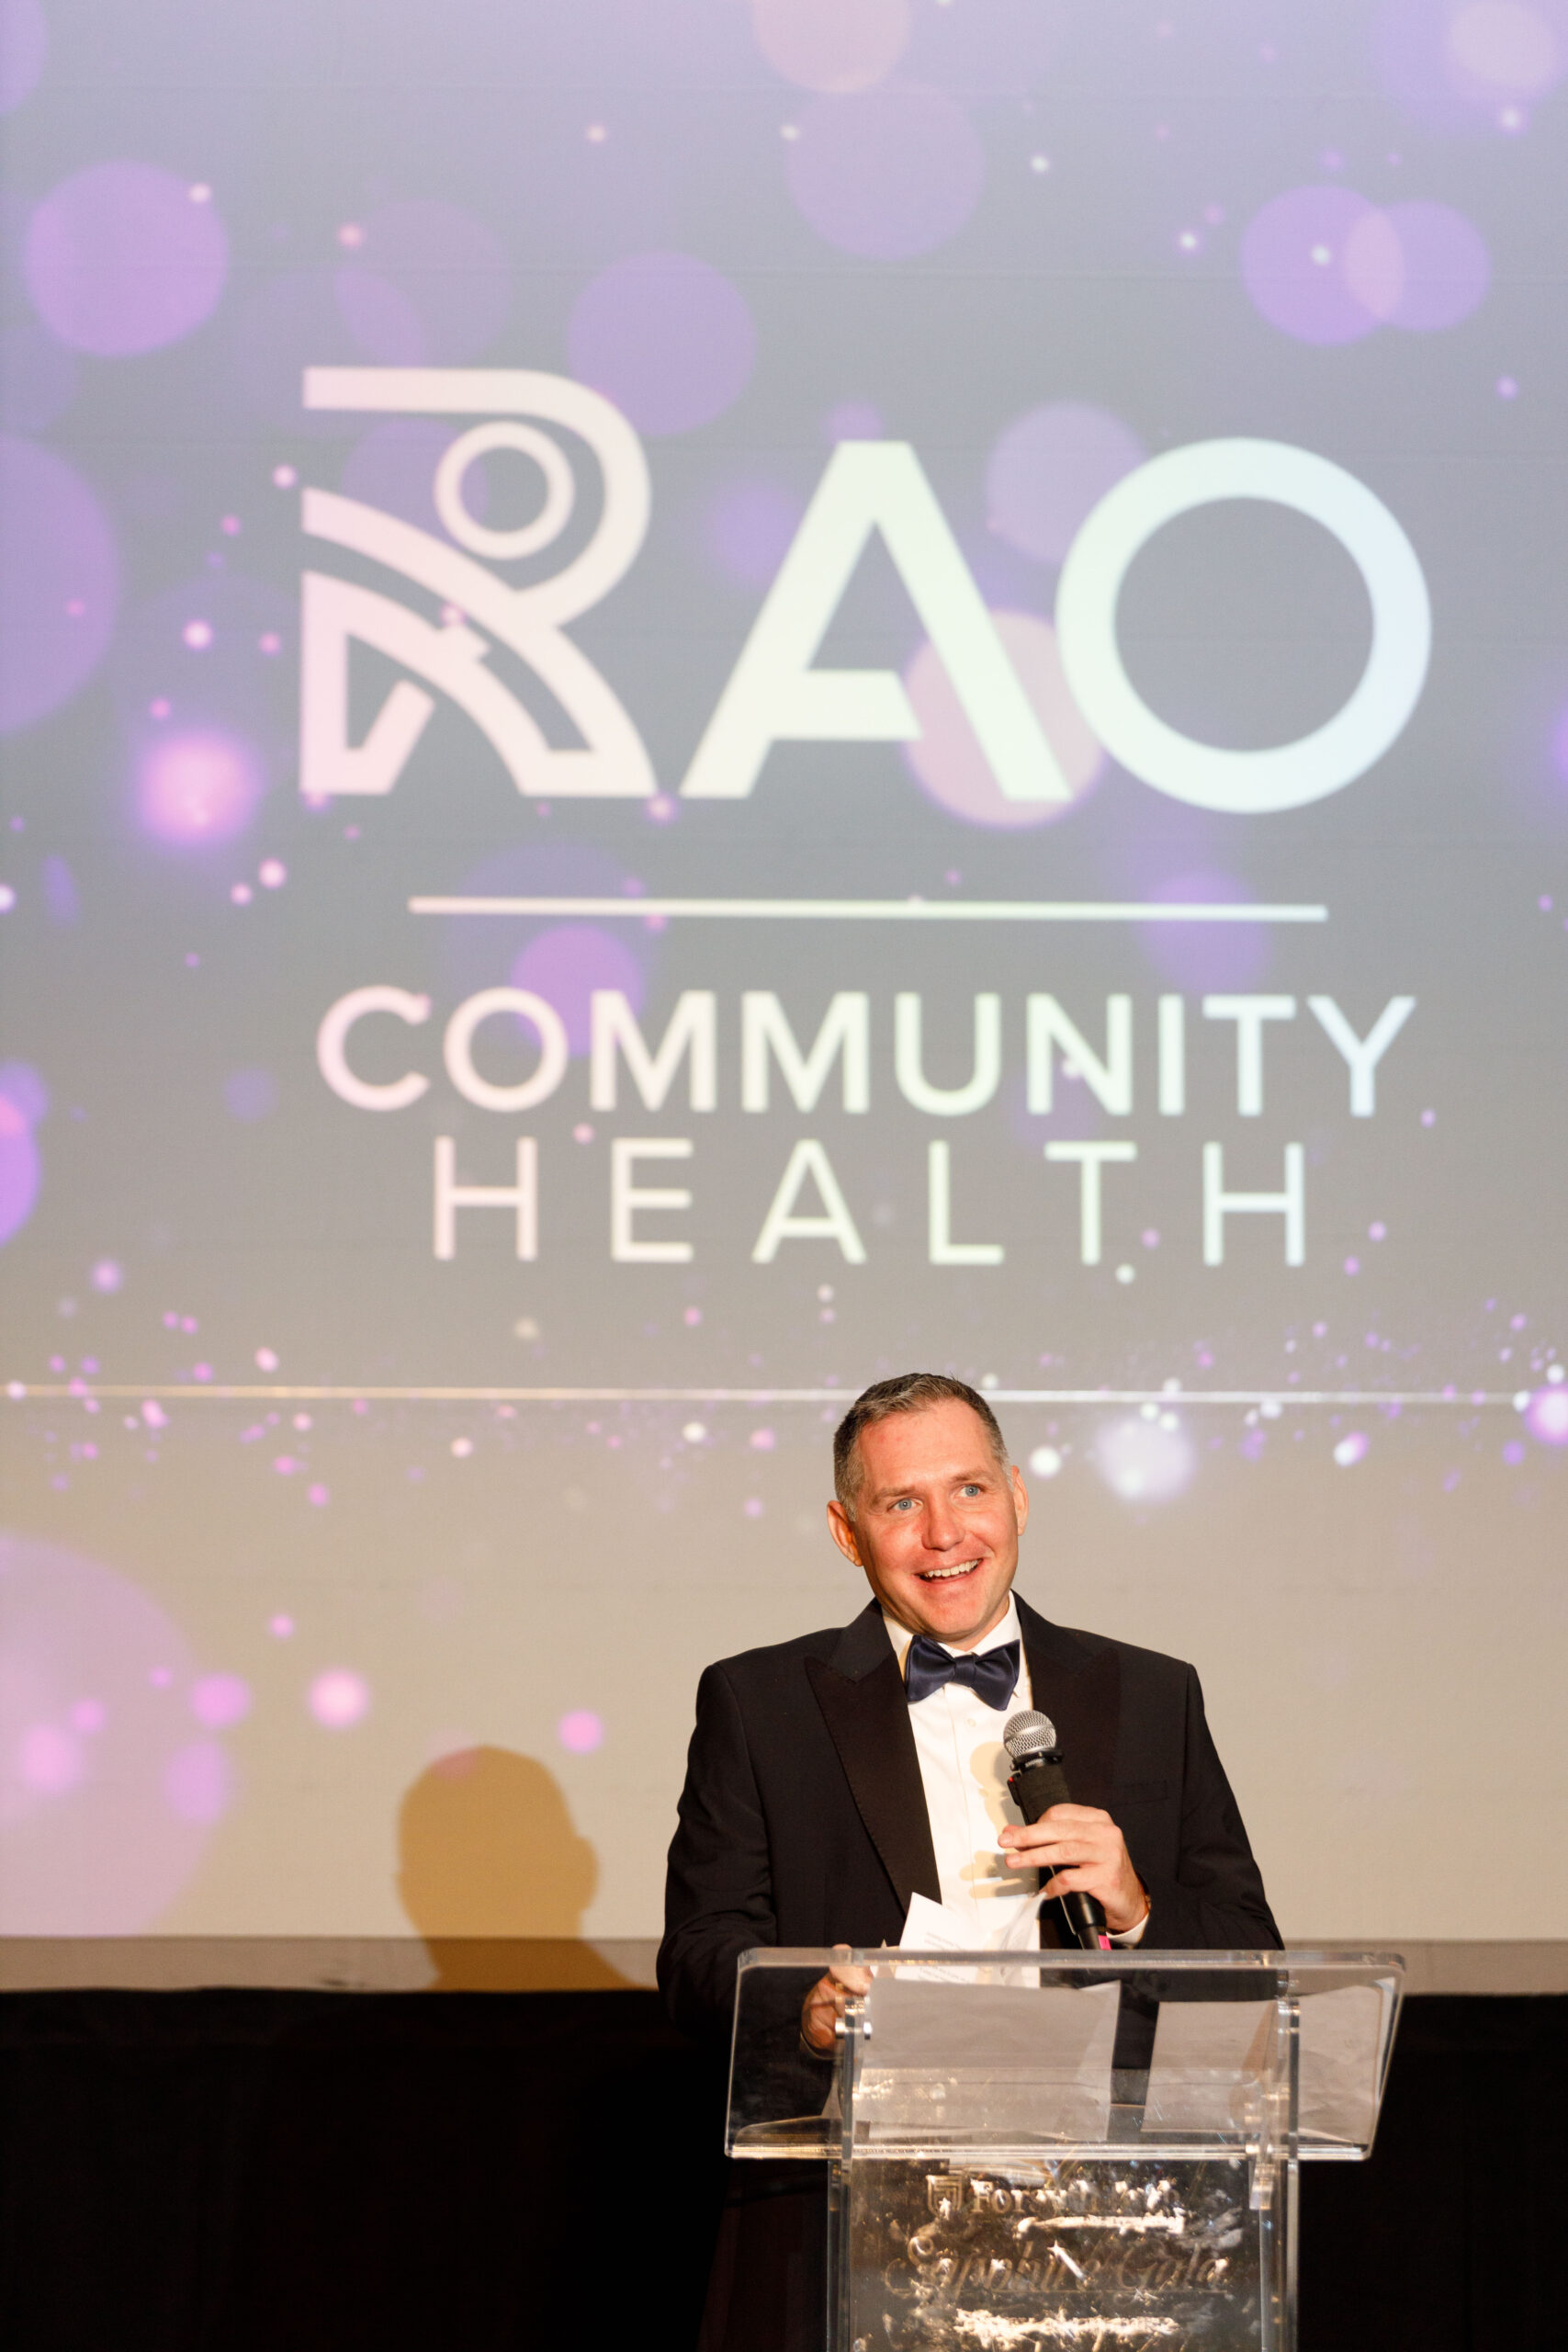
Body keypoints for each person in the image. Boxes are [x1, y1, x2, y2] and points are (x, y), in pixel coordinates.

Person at [659, 1372, 1280, 2347]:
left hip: (1113, 2232)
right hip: (853, 2225)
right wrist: (806, 2009)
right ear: (847, 1531)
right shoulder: (761, 1703)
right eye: (901, 1503)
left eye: (969, 1489)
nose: (944, 1533)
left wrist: (1137, 1909)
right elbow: (697, 1957)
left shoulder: (1153, 1693)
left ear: (1017, 1496)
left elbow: (1252, 1957)